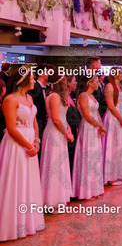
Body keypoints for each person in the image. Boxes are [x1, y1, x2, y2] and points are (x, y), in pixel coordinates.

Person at [0, 66, 45, 242]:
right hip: (16, 145)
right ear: (23, 80)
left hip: (30, 144)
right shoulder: (10, 100)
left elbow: (34, 122)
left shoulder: (29, 98)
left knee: (28, 181)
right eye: (32, 78)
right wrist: (28, 146)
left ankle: (27, 222)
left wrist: (37, 141)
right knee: (15, 181)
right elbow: (11, 128)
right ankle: (10, 225)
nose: (33, 80)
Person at [40, 74, 74, 208]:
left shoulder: (57, 96)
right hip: (54, 133)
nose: (66, 84)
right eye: (64, 81)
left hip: (60, 131)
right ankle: (51, 200)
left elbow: (62, 117)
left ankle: (59, 197)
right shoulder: (54, 96)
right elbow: (55, 118)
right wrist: (66, 133)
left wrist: (68, 128)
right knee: (54, 165)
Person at [102, 68, 122, 185]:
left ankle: (116, 174)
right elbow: (111, 106)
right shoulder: (109, 86)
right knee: (112, 145)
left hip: (119, 116)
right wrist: (120, 118)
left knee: (119, 146)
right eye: (121, 73)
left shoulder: (119, 86)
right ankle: (110, 176)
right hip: (113, 117)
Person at [29, 64, 50, 146]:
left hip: (46, 123)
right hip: (36, 122)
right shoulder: (33, 88)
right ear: (41, 73)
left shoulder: (50, 88)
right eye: (49, 72)